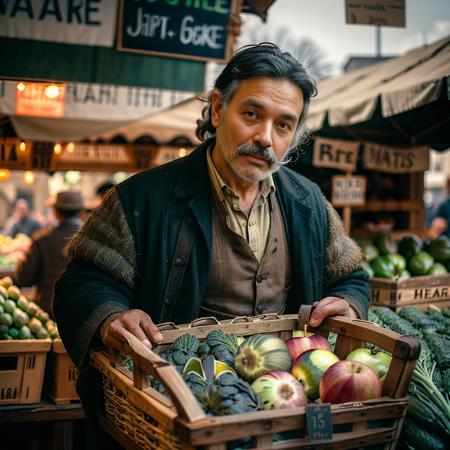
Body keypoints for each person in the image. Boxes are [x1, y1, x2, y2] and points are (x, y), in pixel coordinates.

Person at [53, 43, 369, 443]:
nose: (265, 138)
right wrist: (111, 316)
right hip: (174, 408)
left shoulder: (309, 203)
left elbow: (350, 278)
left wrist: (348, 301)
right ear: (218, 110)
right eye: (251, 114)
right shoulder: (141, 199)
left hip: (280, 406)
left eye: (284, 125)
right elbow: (81, 284)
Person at [15, 191, 84, 317]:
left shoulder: (42, 240)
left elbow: (24, 279)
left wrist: (21, 261)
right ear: (81, 212)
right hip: (83, 312)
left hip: (48, 312)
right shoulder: (93, 240)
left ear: (56, 212)